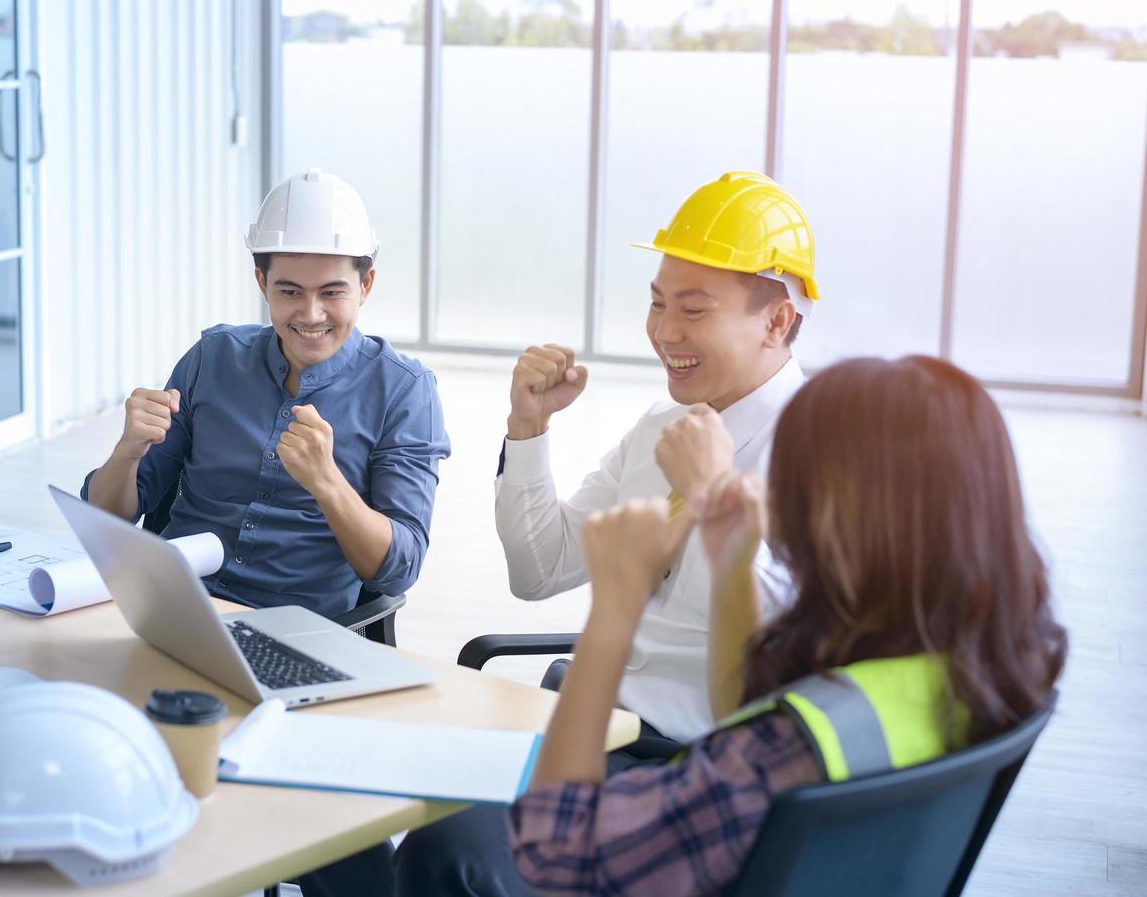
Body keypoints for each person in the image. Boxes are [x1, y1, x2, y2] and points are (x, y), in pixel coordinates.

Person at [396, 172, 817, 894]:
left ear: (775, 321)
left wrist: (714, 500)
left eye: (692, 309)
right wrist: (529, 428)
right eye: (657, 303)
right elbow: (539, 570)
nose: (663, 333)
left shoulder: (820, 445)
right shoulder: (661, 425)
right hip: (594, 723)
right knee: (395, 797)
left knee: (450, 856)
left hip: (693, 762)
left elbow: (783, 661)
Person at [506, 354, 1066, 893]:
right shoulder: (988, 666)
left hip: (622, 816)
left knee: (451, 844)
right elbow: (740, 710)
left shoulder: (786, 746)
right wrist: (731, 567)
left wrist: (614, 609)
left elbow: (556, 854)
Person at [81, 168, 450, 896]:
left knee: (336, 848)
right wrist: (126, 451)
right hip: (181, 620)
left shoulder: (403, 391)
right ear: (262, 283)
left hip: (303, 637)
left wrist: (328, 483)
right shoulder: (213, 359)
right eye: (289, 291)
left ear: (365, 286)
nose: (310, 313)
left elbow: (397, 568)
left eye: (332, 292)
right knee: (101, 771)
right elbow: (114, 515)